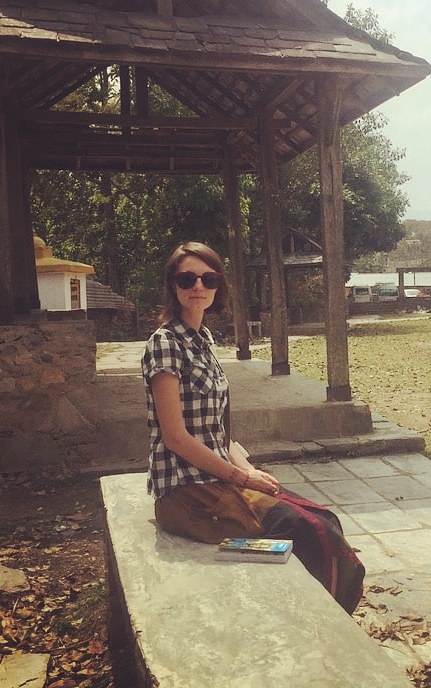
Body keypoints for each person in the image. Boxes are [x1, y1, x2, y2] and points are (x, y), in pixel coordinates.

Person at [141, 241, 364, 613]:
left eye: (208, 278)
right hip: (186, 493)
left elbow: (218, 433)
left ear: (218, 286)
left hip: (218, 481)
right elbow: (176, 438)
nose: (198, 286)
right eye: (187, 278)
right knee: (310, 532)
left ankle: (329, 615)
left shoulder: (204, 342)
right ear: (172, 285)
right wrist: (242, 479)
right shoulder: (164, 344)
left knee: (323, 518)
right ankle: (313, 619)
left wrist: (248, 469)